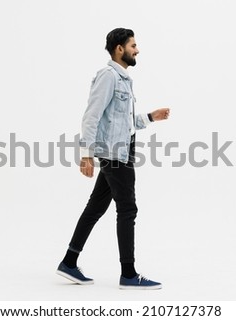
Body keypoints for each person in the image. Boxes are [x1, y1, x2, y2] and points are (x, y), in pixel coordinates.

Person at [56, 28, 170, 290]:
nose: (137, 49)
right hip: (114, 156)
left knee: (95, 208)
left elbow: (124, 122)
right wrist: (86, 154)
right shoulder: (108, 77)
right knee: (127, 210)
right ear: (119, 49)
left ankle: (69, 262)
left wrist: (151, 117)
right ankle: (128, 274)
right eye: (133, 45)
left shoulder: (124, 80)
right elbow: (91, 116)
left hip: (119, 152)